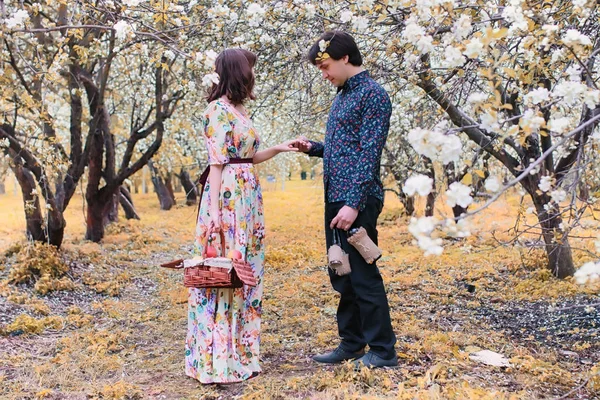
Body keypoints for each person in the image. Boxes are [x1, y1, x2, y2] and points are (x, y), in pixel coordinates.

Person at [186, 48, 298, 384]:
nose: (253, 73)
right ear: (239, 71)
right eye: (250, 68)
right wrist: (217, 213)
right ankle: (217, 358)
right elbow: (218, 165)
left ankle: (240, 351)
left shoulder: (238, 109)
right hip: (229, 200)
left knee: (245, 272)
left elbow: (245, 158)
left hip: (247, 197)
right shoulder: (217, 111)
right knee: (226, 271)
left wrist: (278, 148)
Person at [296, 31, 397, 369]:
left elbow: (369, 155)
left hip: (357, 200)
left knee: (364, 276)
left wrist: (352, 204)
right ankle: (352, 343)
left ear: (344, 57)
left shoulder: (374, 96)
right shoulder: (342, 96)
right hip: (336, 198)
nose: (323, 74)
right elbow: (345, 151)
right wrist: (315, 148)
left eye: (325, 66)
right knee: (342, 273)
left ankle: (383, 351)